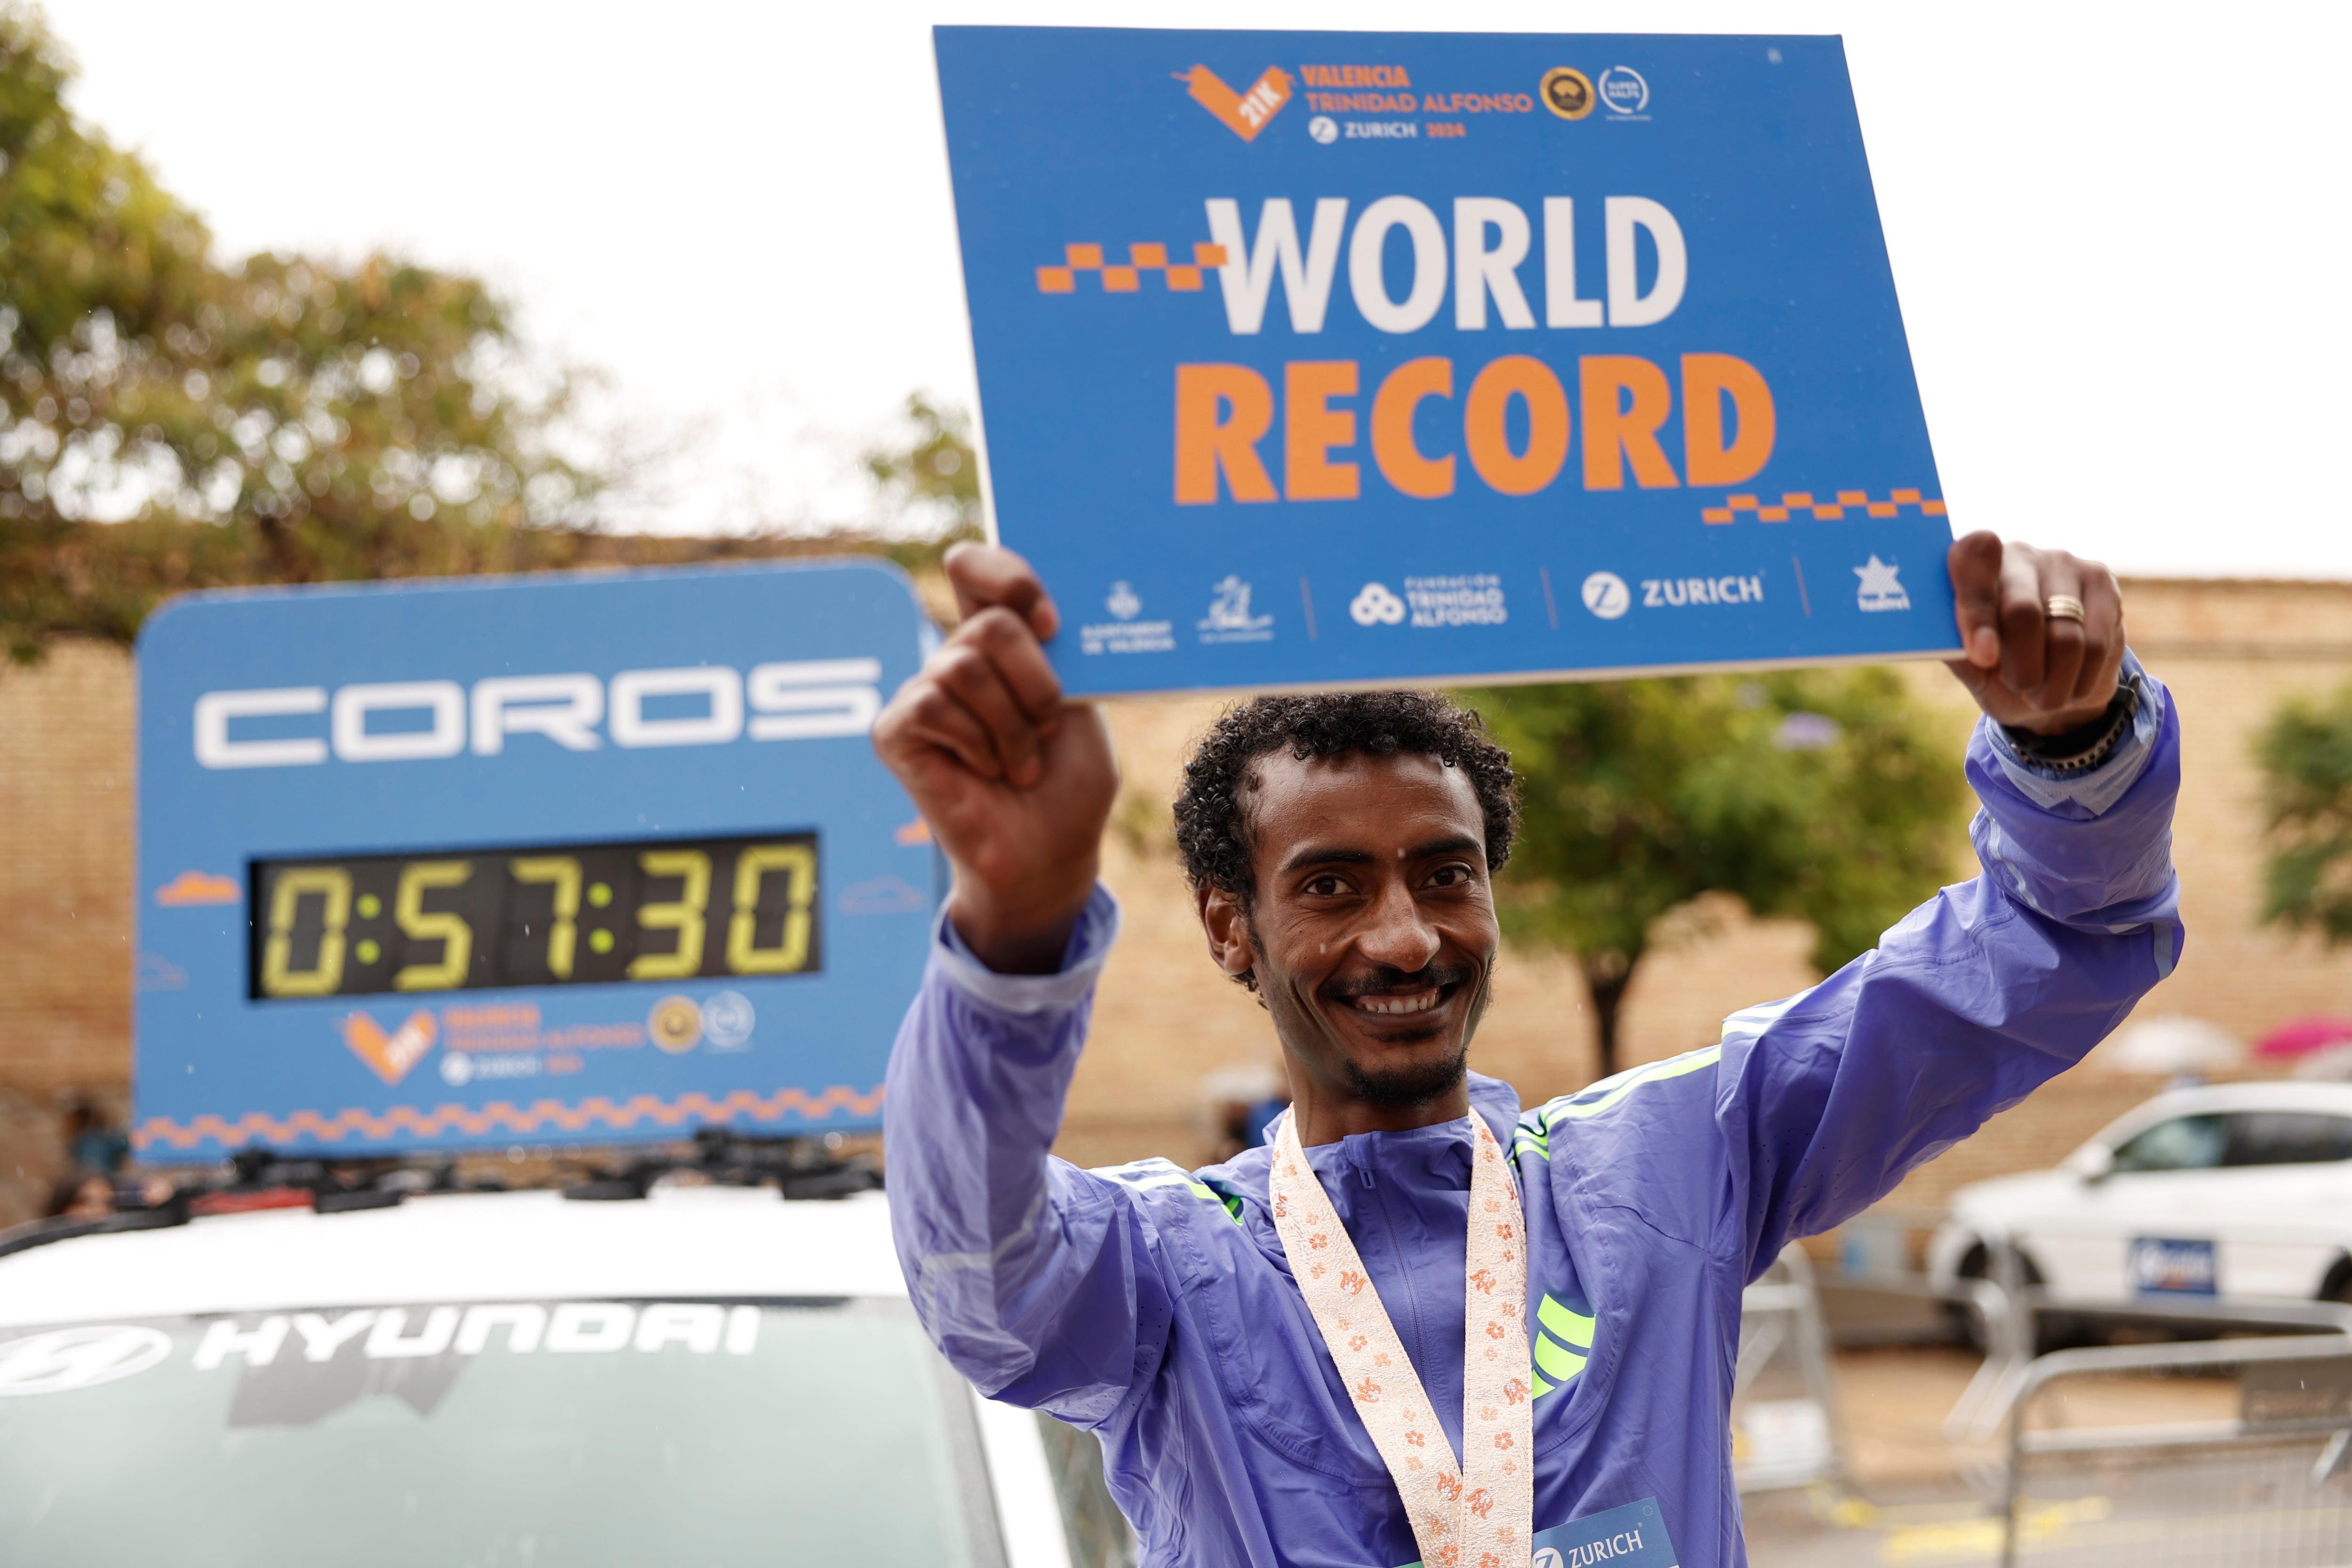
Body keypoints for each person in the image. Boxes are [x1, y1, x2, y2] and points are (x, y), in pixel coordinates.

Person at [874, 533, 2177, 1568]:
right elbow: (973, 1270)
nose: (1404, 938)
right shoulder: (1166, 1269)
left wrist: (2071, 747)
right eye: (1330, 887)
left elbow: (2051, 941)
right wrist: (1016, 922)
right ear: (1233, 929)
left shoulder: (1675, 1164)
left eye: (1445, 874)